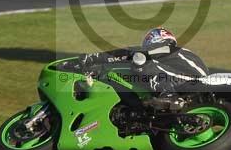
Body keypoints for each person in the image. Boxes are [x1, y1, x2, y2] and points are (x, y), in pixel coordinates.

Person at [77, 27, 209, 110]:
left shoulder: (168, 47)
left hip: (192, 80)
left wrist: (93, 58)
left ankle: (170, 96)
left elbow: (131, 53)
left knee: (140, 60)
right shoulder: (171, 56)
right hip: (186, 82)